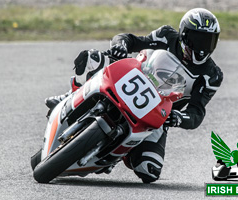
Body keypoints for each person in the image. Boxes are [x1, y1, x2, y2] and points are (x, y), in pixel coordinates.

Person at [45, 8, 223, 183]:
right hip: (129, 82)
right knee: (95, 57)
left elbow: (196, 113)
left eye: (209, 41)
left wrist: (178, 118)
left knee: (149, 170)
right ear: (184, 34)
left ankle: (123, 150)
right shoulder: (167, 36)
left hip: (157, 115)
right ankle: (71, 95)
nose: (202, 48)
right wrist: (120, 46)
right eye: (198, 39)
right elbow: (129, 39)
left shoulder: (212, 75)